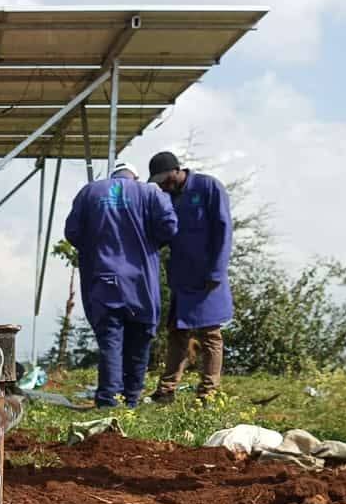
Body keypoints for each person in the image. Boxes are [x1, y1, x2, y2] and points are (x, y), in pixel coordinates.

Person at [64, 161, 177, 408]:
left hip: (103, 277)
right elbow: (170, 227)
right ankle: (131, 399)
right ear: (134, 177)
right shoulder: (149, 193)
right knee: (140, 336)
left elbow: (72, 232)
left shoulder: (90, 192)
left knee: (110, 340)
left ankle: (108, 399)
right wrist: (148, 245)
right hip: (140, 280)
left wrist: (95, 247)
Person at [147, 151, 234, 402]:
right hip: (182, 277)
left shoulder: (209, 187)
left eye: (166, 178)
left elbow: (224, 230)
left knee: (210, 335)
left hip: (207, 276)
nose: (163, 184)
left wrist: (216, 271)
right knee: (176, 332)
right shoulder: (167, 198)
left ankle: (208, 393)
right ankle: (166, 391)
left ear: (177, 170)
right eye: (159, 181)